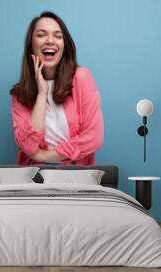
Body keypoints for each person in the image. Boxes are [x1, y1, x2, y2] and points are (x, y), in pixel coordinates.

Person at [10, 11, 104, 165]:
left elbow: (94, 137)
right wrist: (42, 94)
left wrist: (44, 156)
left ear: (64, 45)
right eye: (41, 35)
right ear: (31, 45)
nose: (50, 41)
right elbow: (27, 146)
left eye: (58, 36)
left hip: (76, 177)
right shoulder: (19, 94)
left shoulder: (82, 78)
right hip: (33, 178)